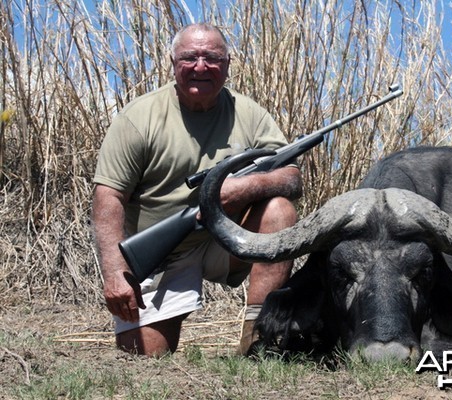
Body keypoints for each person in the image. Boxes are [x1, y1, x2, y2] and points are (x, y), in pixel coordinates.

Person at [92, 22, 302, 357]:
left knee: (279, 210)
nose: (201, 67)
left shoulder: (248, 113)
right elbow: (109, 197)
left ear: (228, 63)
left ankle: (259, 340)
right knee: (142, 361)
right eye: (190, 57)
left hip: (227, 241)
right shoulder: (138, 118)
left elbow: (291, 177)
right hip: (161, 257)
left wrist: (244, 188)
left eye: (212, 58)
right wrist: (116, 273)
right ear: (172, 62)